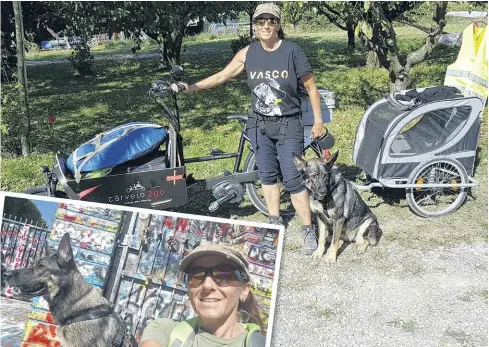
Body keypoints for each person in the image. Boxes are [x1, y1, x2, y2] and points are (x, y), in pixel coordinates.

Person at [172, 3, 325, 254]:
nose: (266, 26)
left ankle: (307, 229)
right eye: (261, 21)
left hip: (289, 124)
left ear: (278, 25)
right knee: (266, 175)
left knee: (293, 177)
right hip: (259, 125)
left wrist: (318, 121)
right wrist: (190, 87)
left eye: (271, 21)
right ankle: (274, 223)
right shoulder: (248, 53)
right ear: (255, 25)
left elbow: (311, 89)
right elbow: (222, 76)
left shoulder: (292, 52)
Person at [140, 243, 266, 347]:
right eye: (196, 275)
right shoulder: (164, 331)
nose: (207, 285)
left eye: (223, 275)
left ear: (244, 289)